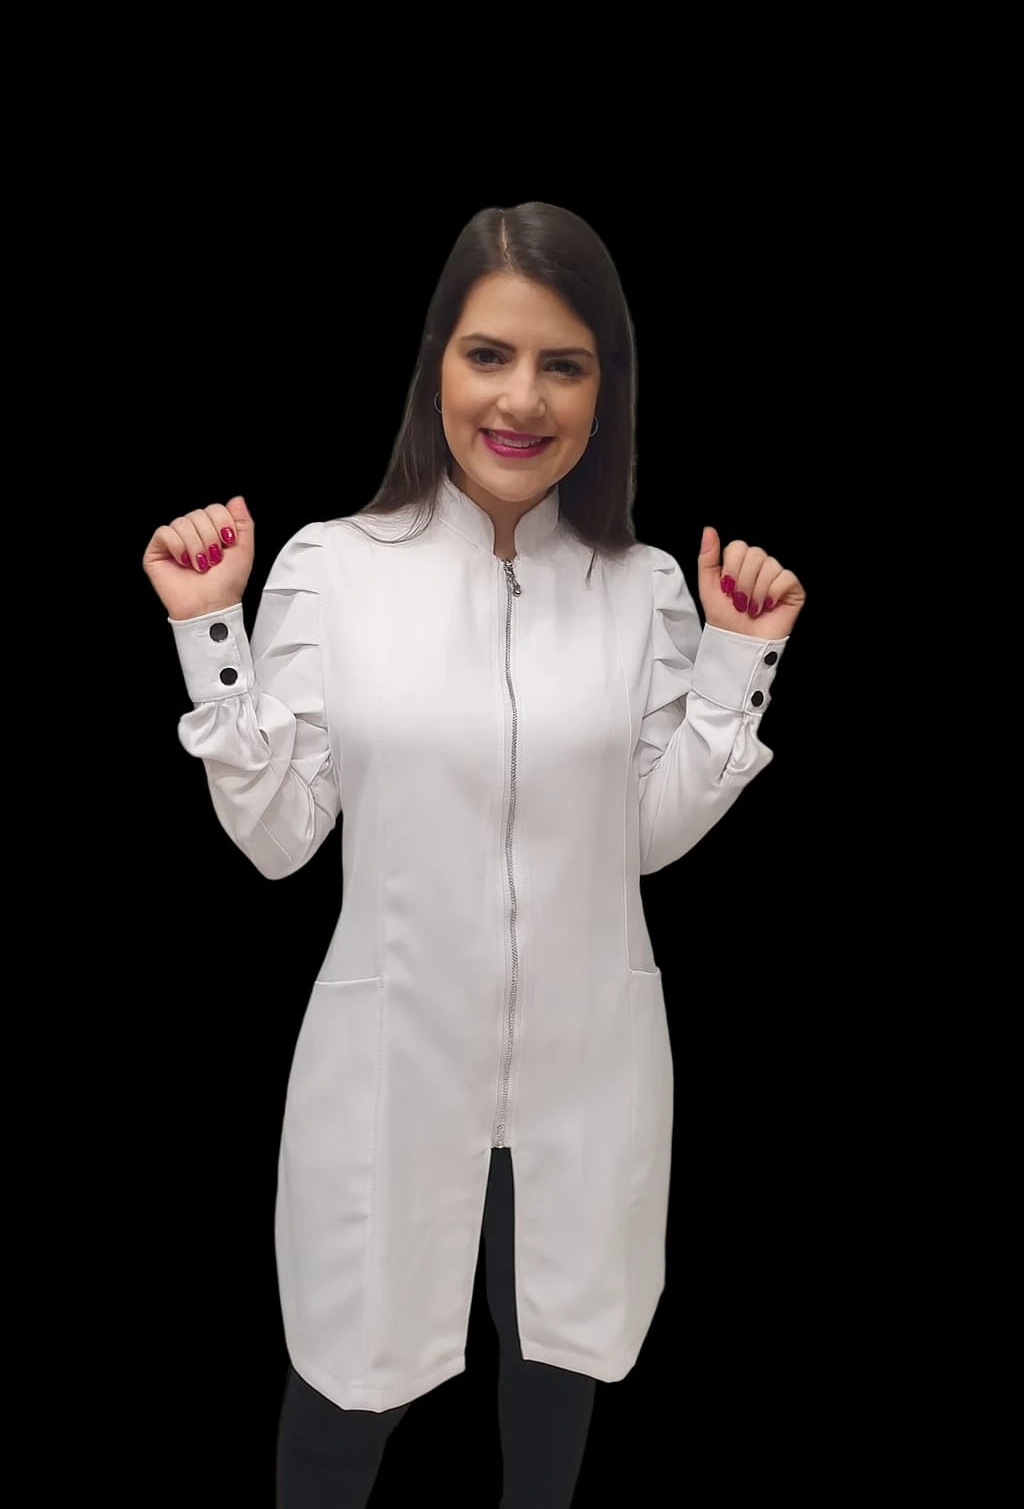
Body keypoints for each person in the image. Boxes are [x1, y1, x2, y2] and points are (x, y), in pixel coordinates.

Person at [142, 201, 806, 1508]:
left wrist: (738, 665)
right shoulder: (335, 570)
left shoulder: (642, 590)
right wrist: (211, 633)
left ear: (606, 391)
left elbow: (645, 838)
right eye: (489, 354)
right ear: (435, 363)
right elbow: (278, 837)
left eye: (564, 364)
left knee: (551, 1415)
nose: (522, 399)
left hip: (584, 1075)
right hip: (394, 1073)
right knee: (341, 1415)